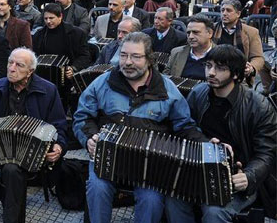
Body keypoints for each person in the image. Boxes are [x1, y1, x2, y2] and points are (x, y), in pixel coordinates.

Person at [73, 32, 207, 223]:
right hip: (108, 157)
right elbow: (82, 116)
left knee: (152, 200)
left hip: (149, 164)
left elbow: (184, 126)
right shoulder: (102, 83)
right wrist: (89, 139)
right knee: (97, 188)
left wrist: (207, 145)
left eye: (135, 56)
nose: (127, 62)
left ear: (149, 59)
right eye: (124, 55)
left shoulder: (167, 89)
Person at [165, 44, 277, 223]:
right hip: (198, 171)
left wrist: (248, 176)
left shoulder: (259, 106)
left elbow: (267, 152)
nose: (211, 73)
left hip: (237, 175)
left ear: (235, 74)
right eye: (208, 66)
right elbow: (186, 128)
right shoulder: (198, 93)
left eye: (220, 68)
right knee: (173, 201)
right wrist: (206, 142)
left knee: (214, 211)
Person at [0, 48, 68, 223]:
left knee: (11, 170)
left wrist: (59, 146)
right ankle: (6, 197)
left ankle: (13, 216)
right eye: (10, 63)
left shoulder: (48, 90)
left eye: (19, 65)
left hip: (30, 150)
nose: (11, 68)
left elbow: (59, 125)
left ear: (30, 71)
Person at [213, 0, 264, 84]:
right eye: (222, 10)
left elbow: (258, 57)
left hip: (239, 76)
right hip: (214, 72)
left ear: (238, 14)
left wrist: (251, 68)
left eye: (228, 10)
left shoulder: (251, 32)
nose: (224, 13)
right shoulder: (211, 29)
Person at [33, 3, 91, 74]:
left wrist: (74, 68)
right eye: (46, 18)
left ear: (60, 16)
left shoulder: (76, 33)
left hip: (69, 74)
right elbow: (34, 55)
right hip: (45, 74)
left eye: (51, 18)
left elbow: (85, 56)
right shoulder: (39, 34)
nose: (48, 21)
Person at [165, 14, 215, 79]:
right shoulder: (176, 53)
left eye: (196, 32)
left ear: (210, 33)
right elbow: (166, 78)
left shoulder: (221, 55)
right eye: (188, 33)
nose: (191, 37)